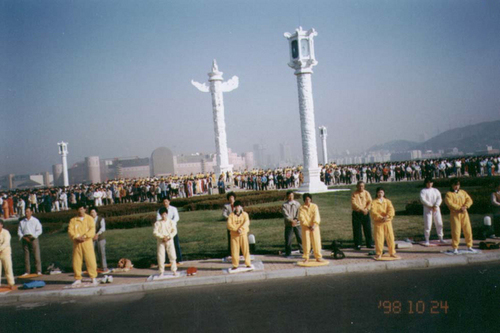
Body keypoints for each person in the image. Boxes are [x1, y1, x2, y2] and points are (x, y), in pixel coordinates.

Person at [68, 204, 98, 286]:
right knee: (76, 261)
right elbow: (70, 231)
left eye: (82, 209)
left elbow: (92, 230)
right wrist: (76, 237)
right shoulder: (73, 220)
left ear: (85, 209)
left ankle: (93, 277)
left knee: (90, 260)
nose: (80, 211)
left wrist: (85, 236)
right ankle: (78, 278)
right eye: (79, 209)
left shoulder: (90, 219)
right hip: (77, 243)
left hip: (87, 242)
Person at [444, 179, 474, 254]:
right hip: (455, 214)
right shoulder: (449, 194)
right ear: (452, 185)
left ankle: (469, 246)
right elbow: (450, 203)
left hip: (464, 213)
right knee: (456, 231)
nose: (456, 187)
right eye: (455, 185)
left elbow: (469, 200)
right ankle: (455, 247)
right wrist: (459, 208)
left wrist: (466, 206)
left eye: (458, 185)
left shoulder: (463, 192)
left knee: (468, 229)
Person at [370, 187, 397, 259]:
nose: (380, 194)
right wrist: (380, 217)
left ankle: (392, 252)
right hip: (378, 222)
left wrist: (387, 216)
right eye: (379, 192)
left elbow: (391, 210)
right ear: (376, 193)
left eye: (381, 192)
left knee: (390, 237)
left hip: (387, 222)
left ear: (384, 193)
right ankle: (379, 253)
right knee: (379, 238)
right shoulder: (374, 202)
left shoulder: (388, 201)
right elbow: (373, 212)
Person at [298, 193, 325, 263]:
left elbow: (316, 215)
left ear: (311, 199)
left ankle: (318, 257)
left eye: (308, 199)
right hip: (306, 228)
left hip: (314, 227)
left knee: (316, 242)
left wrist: (314, 224)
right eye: (306, 199)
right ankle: (306, 258)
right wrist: (307, 225)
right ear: (304, 200)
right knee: (306, 243)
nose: (307, 200)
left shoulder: (314, 206)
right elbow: (301, 218)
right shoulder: (301, 208)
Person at [17, 207, 43, 276]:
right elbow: (19, 231)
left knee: (36, 254)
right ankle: (27, 271)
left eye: (28, 211)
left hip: (33, 238)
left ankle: (38, 270)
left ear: (31, 212)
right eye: (25, 212)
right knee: (26, 256)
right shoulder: (22, 222)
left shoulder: (35, 221)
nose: (26, 213)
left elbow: (39, 230)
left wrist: (33, 236)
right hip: (25, 238)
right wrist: (23, 237)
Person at [156, 198, 182, 263]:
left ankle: (179, 259)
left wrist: (170, 223)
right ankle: (167, 260)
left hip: (172, 229)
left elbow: (176, 218)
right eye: (164, 202)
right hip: (163, 231)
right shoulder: (160, 210)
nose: (165, 203)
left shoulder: (174, 209)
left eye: (166, 201)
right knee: (164, 246)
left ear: (169, 202)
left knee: (176, 244)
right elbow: (158, 219)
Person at [227, 201, 252, 270]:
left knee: (245, 249)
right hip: (234, 235)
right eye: (236, 207)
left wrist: (241, 228)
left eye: (238, 206)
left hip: (243, 234)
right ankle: (235, 265)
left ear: (241, 207)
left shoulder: (245, 214)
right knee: (234, 250)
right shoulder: (231, 215)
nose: (237, 208)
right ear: (234, 207)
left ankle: (248, 263)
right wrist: (236, 229)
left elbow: (247, 222)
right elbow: (229, 225)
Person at [419, 178, 445, 245]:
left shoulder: (435, 190)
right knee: (428, 224)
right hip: (428, 209)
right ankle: (427, 239)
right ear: (425, 183)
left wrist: (436, 205)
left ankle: (441, 238)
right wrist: (431, 205)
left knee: (439, 223)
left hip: (436, 209)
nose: (429, 184)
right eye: (428, 183)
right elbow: (423, 200)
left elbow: (439, 198)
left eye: (430, 183)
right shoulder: (423, 191)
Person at [153, 207, 178, 276]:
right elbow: (155, 232)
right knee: (161, 256)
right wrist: (162, 237)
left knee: (172, 255)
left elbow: (174, 231)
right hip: (161, 241)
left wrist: (169, 236)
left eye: (165, 214)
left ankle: (174, 270)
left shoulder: (171, 222)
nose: (164, 216)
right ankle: (161, 271)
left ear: (167, 214)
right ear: (160, 215)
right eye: (162, 215)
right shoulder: (157, 223)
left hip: (169, 240)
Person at [351, 181, 374, 250]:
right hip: (357, 213)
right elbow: (354, 203)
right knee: (357, 229)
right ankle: (358, 244)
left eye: (362, 186)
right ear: (357, 186)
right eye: (359, 186)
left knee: (367, 228)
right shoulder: (354, 194)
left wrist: (366, 209)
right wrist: (361, 209)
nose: (361, 187)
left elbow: (370, 202)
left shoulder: (366, 193)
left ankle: (369, 243)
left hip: (365, 213)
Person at [282, 190, 303, 257]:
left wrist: (296, 220)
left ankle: (302, 250)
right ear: (287, 196)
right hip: (289, 224)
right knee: (288, 239)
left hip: (297, 224)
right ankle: (288, 252)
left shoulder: (297, 204)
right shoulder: (284, 205)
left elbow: (299, 212)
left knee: (300, 237)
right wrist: (291, 221)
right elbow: (286, 215)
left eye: (292, 195)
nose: (291, 197)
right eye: (289, 196)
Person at [90, 208, 109, 274]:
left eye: (93, 212)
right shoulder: (89, 220)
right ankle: (93, 267)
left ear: (96, 213)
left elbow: (103, 228)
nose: (92, 214)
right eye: (91, 213)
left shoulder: (100, 219)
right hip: (91, 238)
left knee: (101, 252)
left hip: (100, 238)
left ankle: (104, 267)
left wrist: (97, 234)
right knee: (92, 253)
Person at [0, 220, 15, 290]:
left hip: (6, 253)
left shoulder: (6, 232)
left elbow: (6, 243)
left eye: (0, 224)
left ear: (2, 225)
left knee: (8, 268)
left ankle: (11, 283)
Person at [222, 192, 236, 257]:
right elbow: (224, 214)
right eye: (230, 197)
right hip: (230, 225)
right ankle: (230, 252)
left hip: (237, 224)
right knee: (230, 238)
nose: (231, 199)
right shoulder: (226, 206)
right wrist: (229, 218)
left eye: (232, 197)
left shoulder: (237, 205)